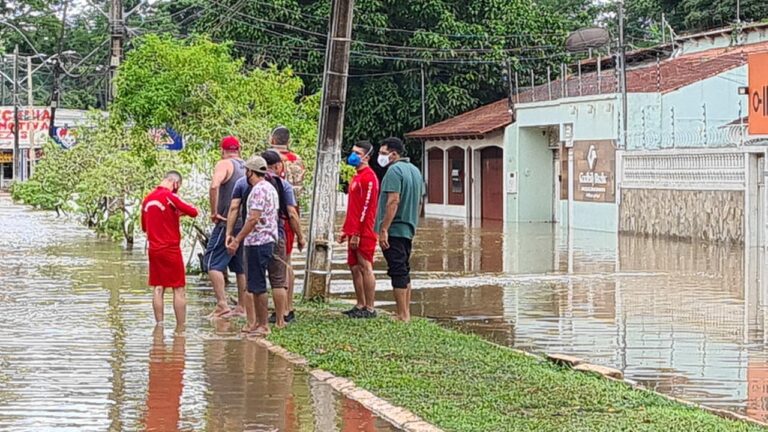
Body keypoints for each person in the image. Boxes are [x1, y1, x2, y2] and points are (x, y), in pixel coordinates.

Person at [226, 156, 280, 336]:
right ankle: (257, 322)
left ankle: (263, 324)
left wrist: (237, 239)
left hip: (258, 241)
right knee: (255, 284)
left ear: (250, 172)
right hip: (265, 240)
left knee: (257, 286)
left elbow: (253, 219)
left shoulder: (258, 191)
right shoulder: (270, 188)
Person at [375, 137, 425, 323]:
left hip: (395, 229)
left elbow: (393, 200)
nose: (380, 157)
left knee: (397, 270)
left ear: (393, 154)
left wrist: (384, 229)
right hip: (408, 227)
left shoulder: (394, 171)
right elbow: (420, 201)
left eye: (383, 153)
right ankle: (406, 313)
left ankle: (402, 315)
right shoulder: (415, 170)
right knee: (404, 268)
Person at [141, 171, 199, 327]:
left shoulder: (147, 200)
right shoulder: (170, 197)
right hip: (170, 249)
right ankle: (181, 328)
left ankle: (159, 326)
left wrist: (172, 216)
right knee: (178, 288)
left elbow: (145, 227)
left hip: (154, 249)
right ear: (175, 183)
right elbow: (193, 212)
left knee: (158, 287)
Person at [204, 136, 248, 320]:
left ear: (222, 151)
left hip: (226, 222)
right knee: (240, 267)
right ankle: (242, 306)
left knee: (211, 262)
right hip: (244, 224)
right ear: (239, 150)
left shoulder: (224, 164)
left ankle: (222, 304)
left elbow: (214, 185)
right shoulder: (247, 167)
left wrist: (214, 212)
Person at [262, 150, 306, 324]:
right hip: (283, 226)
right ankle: (286, 308)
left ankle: (284, 309)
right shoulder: (284, 181)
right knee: (285, 264)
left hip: (269, 228)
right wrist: (300, 235)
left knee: (281, 266)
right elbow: (293, 211)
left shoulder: (256, 182)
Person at [337, 141, 380, 319]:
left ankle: (370, 307)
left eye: (357, 152)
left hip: (365, 231)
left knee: (365, 266)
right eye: (352, 151)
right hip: (353, 229)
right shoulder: (356, 176)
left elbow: (366, 208)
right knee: (354, 267)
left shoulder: (369, 178)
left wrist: (357, 233)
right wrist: (345, 230)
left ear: (366, 157)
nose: (353, 155)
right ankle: (360, 304)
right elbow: (353, 207)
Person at [269, 126, 305, 316]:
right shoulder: (297, 160)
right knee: (287, 260)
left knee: (279, 262)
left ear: (273, 139)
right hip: (293, 211)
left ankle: (282, 308)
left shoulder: (269, 160)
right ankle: (288, 305)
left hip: (274, 214)